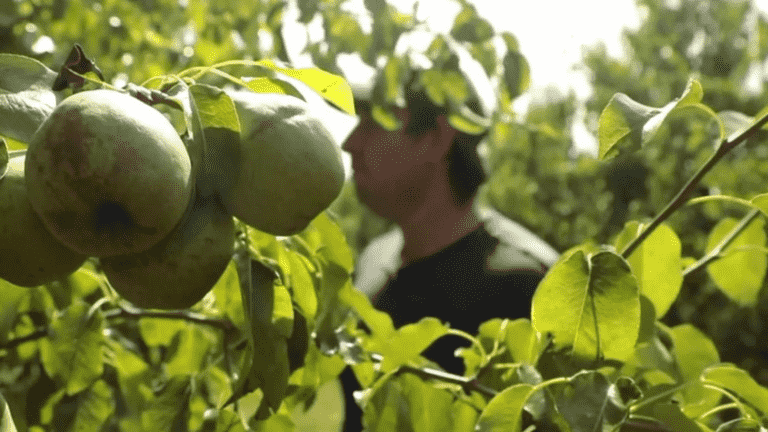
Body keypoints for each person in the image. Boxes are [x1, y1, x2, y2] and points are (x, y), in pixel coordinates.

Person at [336, 53, 560, 431]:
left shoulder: (528, 284)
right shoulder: (375, 259)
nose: (349, 143)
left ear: (438, 137)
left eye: (373, 122)